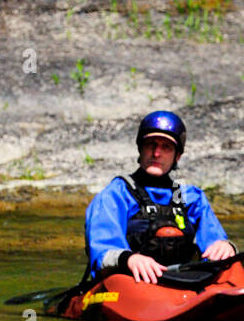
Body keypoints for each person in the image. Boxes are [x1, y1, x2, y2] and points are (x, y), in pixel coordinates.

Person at [84, 110, 235, 285]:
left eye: (166, 147)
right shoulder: (116, 194)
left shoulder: (189, 197)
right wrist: (129, 259)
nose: (157, 153)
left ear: (177, 156)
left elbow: (213, 238)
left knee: (232, 265)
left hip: (180, 281)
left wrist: (225, 246)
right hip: (130, 282)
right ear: (141, 148)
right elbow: (103, 249)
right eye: (151, 144)